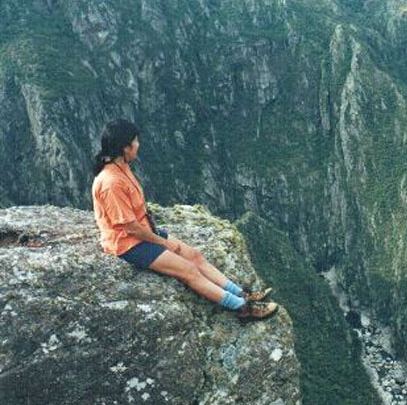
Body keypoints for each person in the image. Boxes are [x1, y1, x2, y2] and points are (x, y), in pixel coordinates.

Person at [91, 119, 278, 319]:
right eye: (135, 142)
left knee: (195, 255)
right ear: (125, 148)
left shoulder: (121, 167)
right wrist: (164, 243)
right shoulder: (111, 182)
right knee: (188, 271)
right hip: (128, 244)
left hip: (145, 231)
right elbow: (130, 228)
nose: (138, 145)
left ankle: (242, 294)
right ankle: (242, 308)